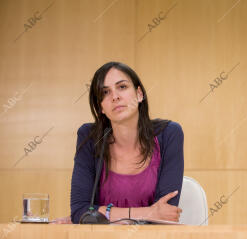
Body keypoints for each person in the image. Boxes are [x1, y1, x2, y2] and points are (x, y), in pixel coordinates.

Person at [70, 62, 184, 224]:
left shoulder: (169, 134)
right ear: (101, 107)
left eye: (122, 87)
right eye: (105, 92)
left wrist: (102, 213)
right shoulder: (90, 137)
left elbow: (166, 213)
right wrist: (149, 212)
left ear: (139, 94)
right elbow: (80, 211)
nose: (115, 96)